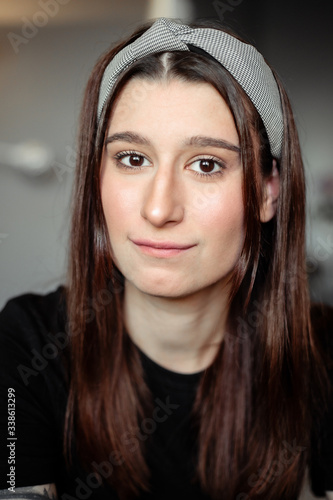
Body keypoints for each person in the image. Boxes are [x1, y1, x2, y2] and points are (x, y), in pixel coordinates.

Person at [0, 17, 332, 500]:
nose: (159, 209)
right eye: (132, 159)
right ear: (97, 176)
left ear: (266, 192)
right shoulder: (26, 347)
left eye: (206, 165)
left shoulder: (322, 362)